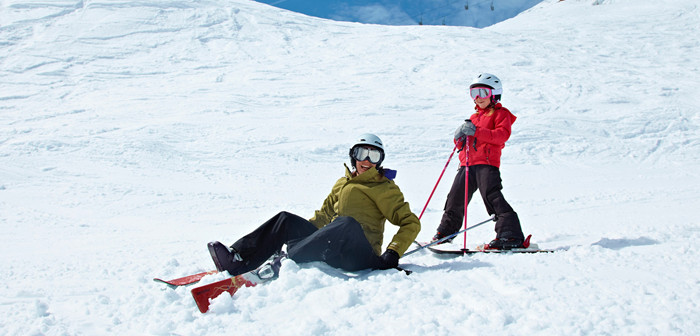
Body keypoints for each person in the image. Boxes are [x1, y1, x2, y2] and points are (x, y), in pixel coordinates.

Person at [208, 133, 421, 276]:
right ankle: (238, 257)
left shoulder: (384, 187)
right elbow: (323, 216)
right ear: (352, 156)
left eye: (373, 155)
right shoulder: (343, 183)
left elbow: (410, 223)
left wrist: (393, 251)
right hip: (334, 247)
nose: (366, 160)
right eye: (361, 153)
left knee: (347, 223)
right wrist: (297, 235)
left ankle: (288, 257)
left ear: (379, 161)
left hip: (359, 255)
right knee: (285, 220)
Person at [432, 73, 525, 249]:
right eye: (473, 92)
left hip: (487, 164)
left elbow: (501, 136)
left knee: (492, 196)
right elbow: (464, 144)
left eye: (482, 92)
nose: (477, 97)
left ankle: (510, 235)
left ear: (494, 93)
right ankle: (446, 232)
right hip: (467, 165)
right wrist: (459, 137)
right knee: (454, 197)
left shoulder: (501, 114)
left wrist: (475, 132)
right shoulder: (473, 118)